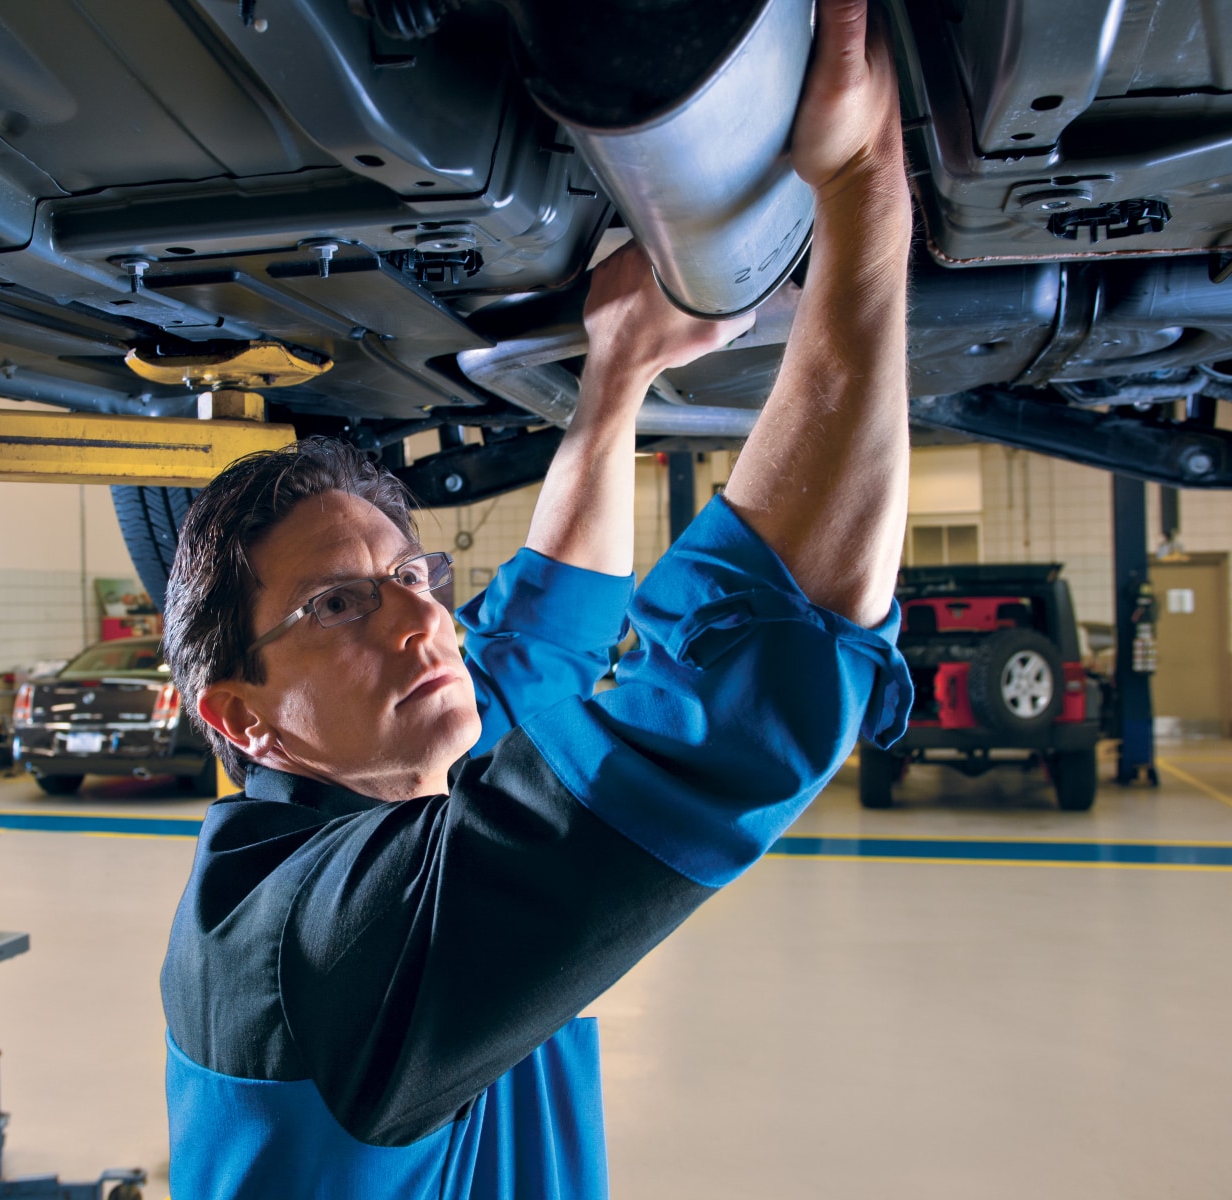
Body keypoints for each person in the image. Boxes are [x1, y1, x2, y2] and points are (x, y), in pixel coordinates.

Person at [157, 1, 913, 1194]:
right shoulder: (331, 943)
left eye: (410, 577)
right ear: (239, 716)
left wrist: (617, 373)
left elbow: (536, 651)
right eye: (339, 607)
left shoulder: (348, 803)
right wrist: (866, 186)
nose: (423, 620)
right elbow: (741, 696)